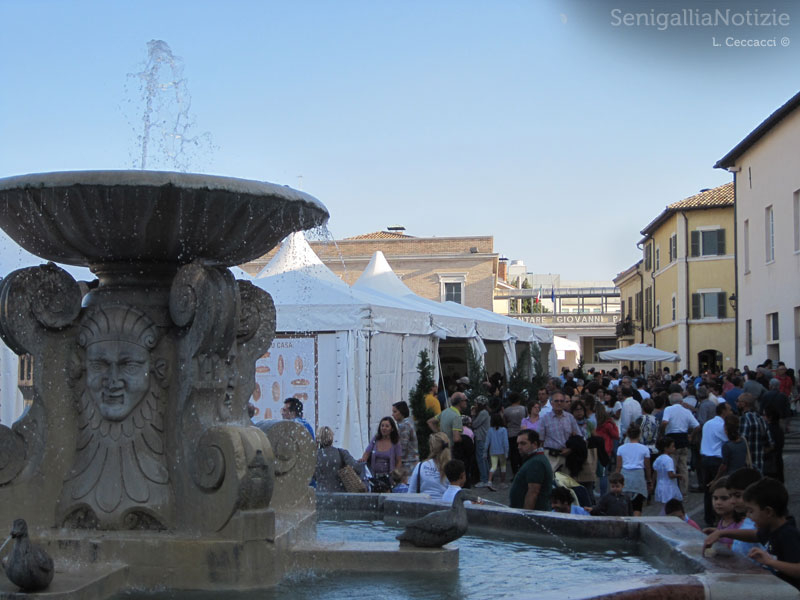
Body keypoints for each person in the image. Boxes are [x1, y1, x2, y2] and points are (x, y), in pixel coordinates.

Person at [705, 478, 800, 589]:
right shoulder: (771, 528)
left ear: (768, 512)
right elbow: (754, 535)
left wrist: (770, 562)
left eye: (751, 511)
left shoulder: (787, 534)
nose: (748, 516)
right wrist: (722, 533)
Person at [659, 392, 699, 497]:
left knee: (672, 466)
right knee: (683, 466)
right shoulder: (686, 411)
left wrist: (662, 432)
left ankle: (672, 491)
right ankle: (683, 491)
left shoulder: (668, 409)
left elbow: (664, 422)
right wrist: (691, 436)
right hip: (683, 438)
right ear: (681, 401)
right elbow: (697, 426)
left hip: (672, 439)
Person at [699, 401, 731, 526]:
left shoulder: (708, 423)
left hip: (705, 457)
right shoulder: (721, 425)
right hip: (716, 459)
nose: (730, 412)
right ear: (723, 411)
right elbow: (727, 439)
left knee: (708, 490)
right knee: (719, 489)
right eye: (729, 410)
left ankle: (709, 517)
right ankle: (718, 517)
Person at [508, 429, 553, 511]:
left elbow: (533, 492)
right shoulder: (533, 459)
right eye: (518, 444)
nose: (519, 447)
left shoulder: (536, 462)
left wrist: (526, 516)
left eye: (523, 443)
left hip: (534, 515)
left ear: (535, 444)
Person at [539, 390, 582, 472]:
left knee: (567, 483)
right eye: (556, 401)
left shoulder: (570, 418)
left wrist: (571, 449)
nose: (559, 403)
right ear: (551, 403)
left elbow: (579, 437)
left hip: (568, 457)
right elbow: (540, 440)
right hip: (551, 457)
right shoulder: (544, 419)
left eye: (561, 401)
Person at [615, 424, 651, 517]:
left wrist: (615, 479)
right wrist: (649, 480)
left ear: (627, 435)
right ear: (639, 435)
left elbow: (618, 466)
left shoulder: (621, 448)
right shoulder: (644, 449)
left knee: (624, 504)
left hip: (625, 475)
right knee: (637, 505)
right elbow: (647, 467)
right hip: (638, 476)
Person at [314, 425, 361, 493]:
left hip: (320, 495)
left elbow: (311, 476)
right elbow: (357, 468)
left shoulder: (314, 456)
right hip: (339, 495)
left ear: (318, 439)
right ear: (332, 438)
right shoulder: (341, 453)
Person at [406, 432, 451, 498]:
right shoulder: (451, 467)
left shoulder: (420, 466)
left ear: (431, 447)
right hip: (445, 505)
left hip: (423, 504)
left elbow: (411, 491)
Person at [737, 393, 774, 474]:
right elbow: (770, 443)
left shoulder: (744, 419)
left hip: (747, 464)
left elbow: (742, 441)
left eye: (738, 401)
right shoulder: (760, 418)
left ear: (744, 404)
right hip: (759, 463)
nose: (737, 403)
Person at [703, 477, 743, 548]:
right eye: (715, 498)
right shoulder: (723, 520)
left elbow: (741, 548)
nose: (718, 502)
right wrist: (715, 531)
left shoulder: (741, 524)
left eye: (724, 498)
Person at [652, 437, 682, 510]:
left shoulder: (658, 459)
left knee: (664, 507)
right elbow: (670, 475)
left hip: (660, 485)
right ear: (666, 448)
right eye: (672, 446)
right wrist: (679, 475)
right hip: (669, 487)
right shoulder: (669, 460)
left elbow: (655, 474)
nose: (674, 448)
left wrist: (652, 484)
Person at [392, 401, 419, 471]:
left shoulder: (404, 426)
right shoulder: (408, 422)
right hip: (412, 461)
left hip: (408, 462)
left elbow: (402, 446)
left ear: (401, 412)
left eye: (395, 412)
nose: (392, 414)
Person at [486, 412, 509, 491]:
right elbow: (505, 442)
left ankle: (489, 481)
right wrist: (506, 452)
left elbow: (487, 442)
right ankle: (502, 482)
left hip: (493, 451)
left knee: (493, 466)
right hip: (502, 451)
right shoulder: (503, 430)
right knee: (503, 466)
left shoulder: (490, 430)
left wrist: (485, 452)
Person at [472, 397, 491, 487]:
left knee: (481, 459)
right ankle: (487, 477)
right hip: (484, 438)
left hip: (481, 438)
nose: (474, 405)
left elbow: (474, 424)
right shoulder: (485, 412)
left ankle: (484, 479)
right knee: (484, 458)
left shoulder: (483, 413)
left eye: (476, 403)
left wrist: (473, 415)